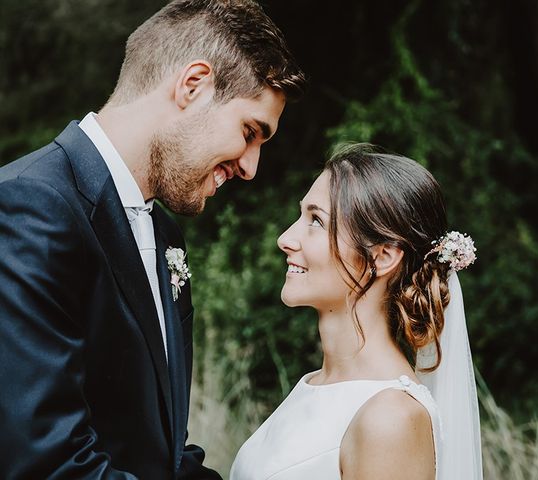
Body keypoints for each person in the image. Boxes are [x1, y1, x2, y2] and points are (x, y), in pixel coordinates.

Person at [0, 0, 305, 478]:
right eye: (250, 132)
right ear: (193, 85)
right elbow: (47, 462)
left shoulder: (165, 234)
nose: (250, 167)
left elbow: (161, 449)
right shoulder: (28, 207)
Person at [230, 144, 483, 480]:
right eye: (301, 216)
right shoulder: (314, 386)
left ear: (381, 257)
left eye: (316, 221)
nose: (286, 238)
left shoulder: (391, 418)